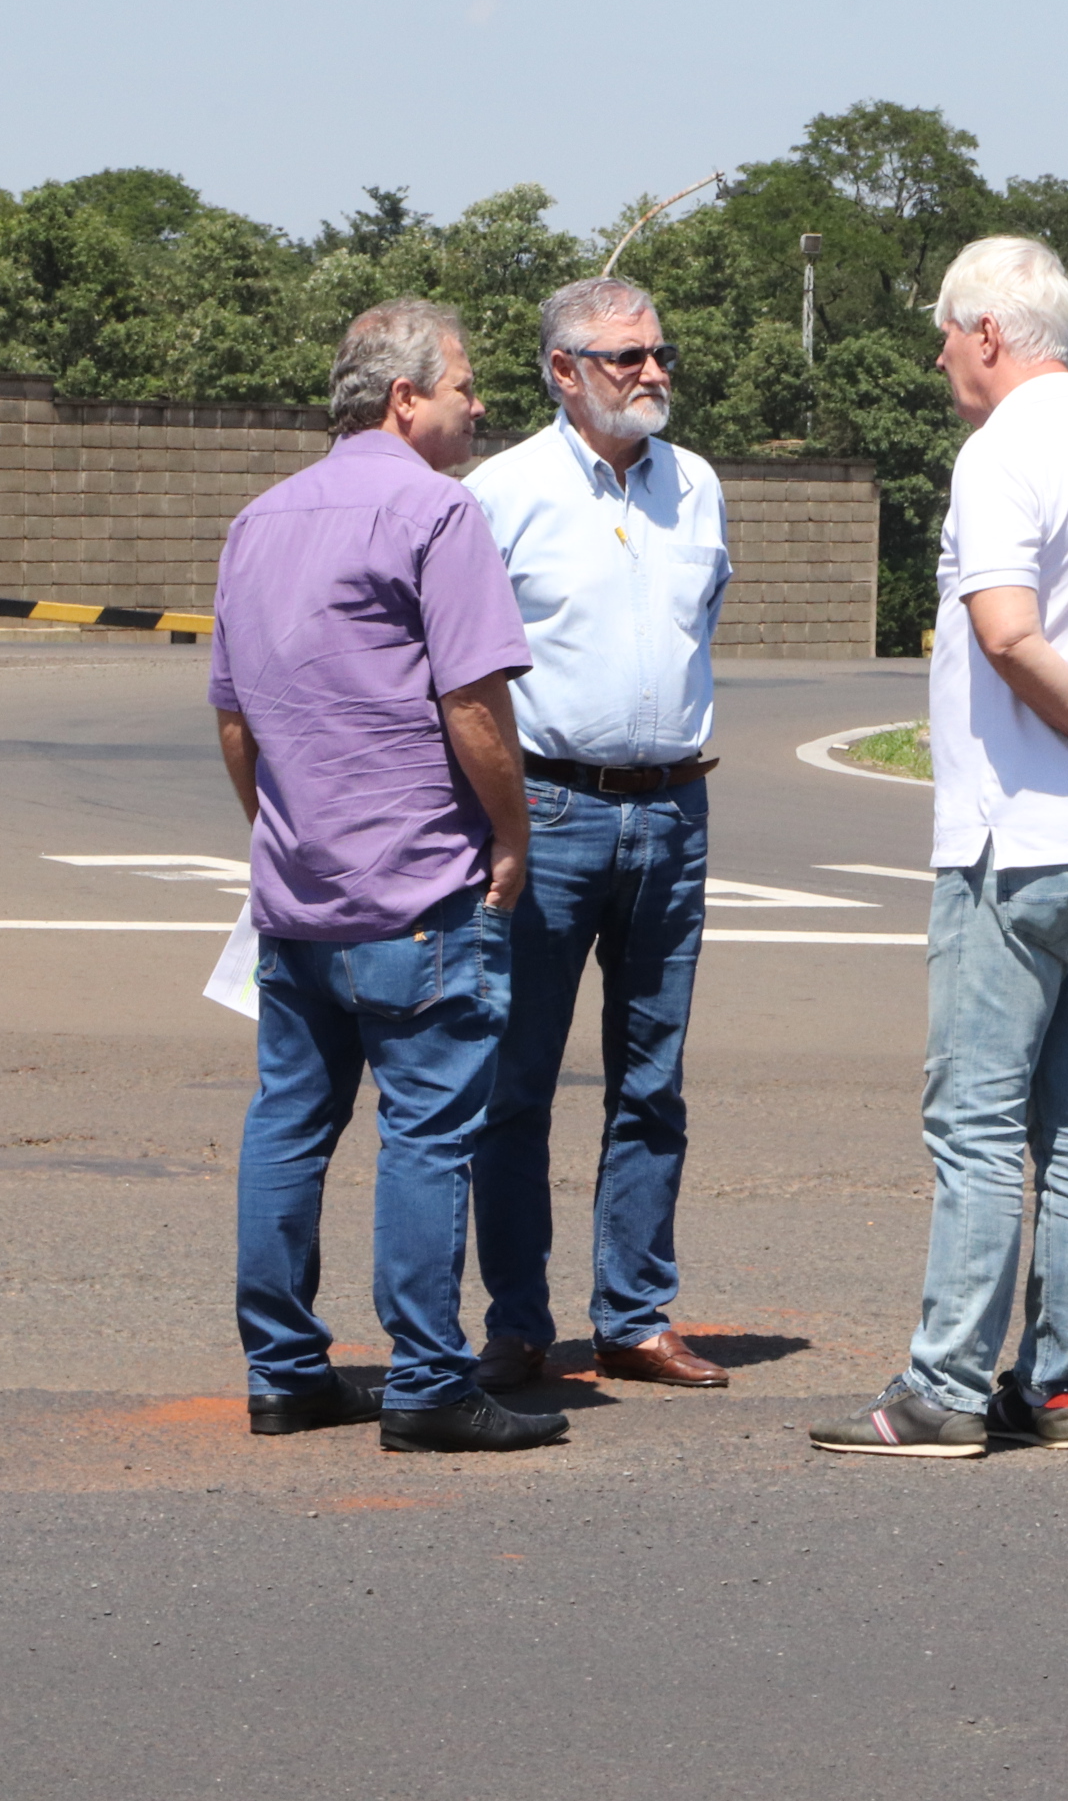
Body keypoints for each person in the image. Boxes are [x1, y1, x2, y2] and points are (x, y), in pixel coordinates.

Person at [811, 235, 1068, 1460]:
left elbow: (1010, 636)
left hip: (1021, 834)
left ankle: (945, 1389)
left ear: (990, 332)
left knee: (977, 1122)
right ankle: (1057, 1383)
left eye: (944, 331)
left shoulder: (1002, 455)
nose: (938, 355)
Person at [212, 299, 566, 1454]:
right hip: (418, 886)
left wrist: (279, 826)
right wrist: (510, 834)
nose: (479, 403)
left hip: (299, 888)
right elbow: (473, 701)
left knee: (290, 1121)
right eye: (464, 383)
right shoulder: (437, 510)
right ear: (403, 397)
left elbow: (233, 717)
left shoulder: (259, 519)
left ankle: (284, 1371)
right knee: (428, 1129)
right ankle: (427, 1379)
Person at [460, 276, 735, 1394]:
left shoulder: (699, 486)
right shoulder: (499, 493)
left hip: (674, 807)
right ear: (563, 371)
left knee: (652, 1081)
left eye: (660, 353)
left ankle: (634, 1313)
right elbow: (461, 675)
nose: (654, 374)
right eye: (627, 358)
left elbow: (700, 624)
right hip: (549, 808)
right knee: (516, 1082)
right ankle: (520, 1321)